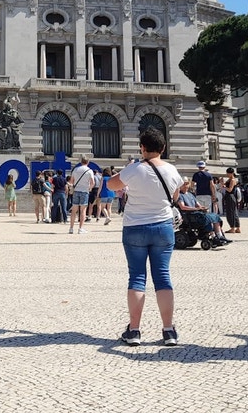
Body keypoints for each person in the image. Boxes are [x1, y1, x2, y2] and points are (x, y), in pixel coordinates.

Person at [107, 129, 182, 346]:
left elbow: (111, 185)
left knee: (137, 277)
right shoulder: (172, 170)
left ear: (142, 147)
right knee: (163, 276)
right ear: (163, 148)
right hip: (163, 227)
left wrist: (127, 172)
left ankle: (134, 330)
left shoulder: (135, 169)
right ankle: (168, 331)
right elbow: (175, 196)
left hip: (135, 227)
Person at [68, 156, 95, 234]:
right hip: (84, 191)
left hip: (76, 190)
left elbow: (72, 181)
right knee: (83, 210)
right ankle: (80, 228)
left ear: (81, 162)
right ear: (88, 162)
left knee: (74, 210)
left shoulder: (76, 169)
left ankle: (71, 228)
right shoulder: (90, 171)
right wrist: (89, 189)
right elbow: (92, 182)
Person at [222, 168, 241, 233]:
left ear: (231, 173)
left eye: (228, 173)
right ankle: (237, 227)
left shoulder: (232, 180)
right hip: (231, 196)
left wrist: (224, 187)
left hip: (230, 196)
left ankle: (232, 227)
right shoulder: (230, 179)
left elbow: (230, 189)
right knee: (234, 212)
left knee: (230, 212)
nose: (227, 174)